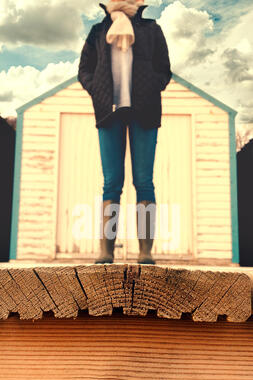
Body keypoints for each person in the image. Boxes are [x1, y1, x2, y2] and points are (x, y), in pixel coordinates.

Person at [78, 0, 172, 264]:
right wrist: (96, 90)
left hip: (145, 111)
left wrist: (152, 87)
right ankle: (106, 251)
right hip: (109, 113)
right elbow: (84, 69)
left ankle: (145, 252)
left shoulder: (152, 29)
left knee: (144, 182)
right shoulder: (98, 31)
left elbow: (164, 70)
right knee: (111, 183)